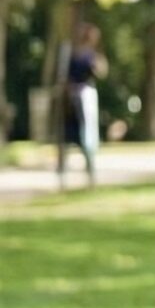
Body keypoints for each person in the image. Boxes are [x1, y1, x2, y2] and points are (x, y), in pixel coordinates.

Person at [56, 23, 107, 189]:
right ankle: (68, 173)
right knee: (73, 133)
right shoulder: (73, 54)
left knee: (87, 134)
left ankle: (89, 171)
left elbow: (100, 72)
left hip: (84, 96)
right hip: (75, 98)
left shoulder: (91, 56)